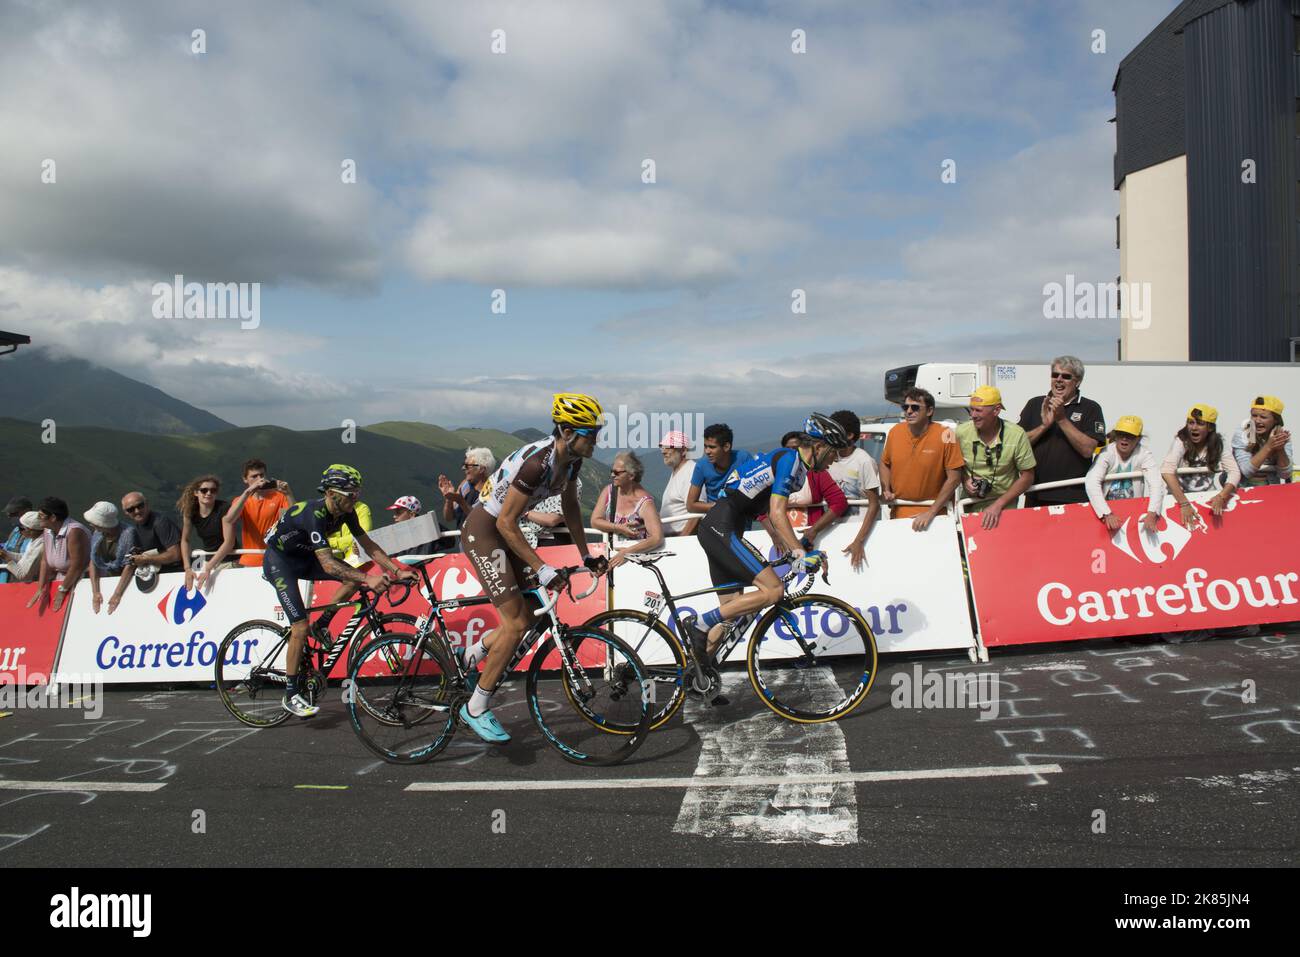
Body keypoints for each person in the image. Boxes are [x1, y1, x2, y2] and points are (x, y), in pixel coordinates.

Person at [458, 393, 609, 744]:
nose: (596, 440)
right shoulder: (537, 464)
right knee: (514, 624)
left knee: (530, 618)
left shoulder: (571, 460)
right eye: (591, 433)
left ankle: (471, 655)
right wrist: (541, 567)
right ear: (569, 432)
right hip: (485, 531)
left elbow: (570, 507)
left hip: (504, 533)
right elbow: (508, 523)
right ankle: (476, 707)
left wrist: (585, 554)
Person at [685, 414, 851, 695]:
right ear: (820, 447)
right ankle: (699, 625)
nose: (835, 460)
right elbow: (777, 511)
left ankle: (691, 677)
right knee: (773, 591)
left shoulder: (798, 467)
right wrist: (798, 552)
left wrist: (791, 550)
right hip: (721, 526)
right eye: (834, 453)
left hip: (725, 527)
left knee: (731, 616)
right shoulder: (790, 459)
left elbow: (767, 511)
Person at [261, 464, 416, 717]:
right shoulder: (314, 513)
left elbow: (369, 545)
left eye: (357, 493)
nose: (356, 498)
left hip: (304, 557)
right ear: (332, 493)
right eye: (351, 493)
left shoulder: (346, 512)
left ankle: (323, 624)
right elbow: (329, 565)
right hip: (280, 563)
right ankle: (290, 694)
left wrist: (395, 571)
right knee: (299, 626)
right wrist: (369, 578)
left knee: (352, 580)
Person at [1018, 356, 1106, 506]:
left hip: (1074, 497)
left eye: (1066, 376)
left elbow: (1088, 450)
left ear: (1077, 381)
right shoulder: (1035, 404)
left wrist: (1062, 419)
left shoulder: (1091, 408)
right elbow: (1017, 445)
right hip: (1036, 493)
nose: (1058, 379)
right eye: (1055, 375)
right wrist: (1044, 427)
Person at [880, 388, 964, 530]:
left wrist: (931, 512)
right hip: (898, 511)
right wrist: (886, 489)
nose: (909, 411)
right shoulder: (895, 431)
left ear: (930, 411)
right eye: (905, 407)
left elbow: (954, 478)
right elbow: (884, 463)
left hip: (936, 516)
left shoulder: (946, 434)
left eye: (915, 407)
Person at [955, 386, 1036, 529]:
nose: (973, 415)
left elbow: (1028, 476)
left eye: (978, 410)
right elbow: (954, 468)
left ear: (996, 410)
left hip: (1004, 509)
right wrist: (965, 479)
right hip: (968, 507)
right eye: (971, 409)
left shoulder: (1016, 434)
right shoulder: (961, 432)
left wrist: (998, 505)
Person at [1161, 404, 1240, 525]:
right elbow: (1166, 472)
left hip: (1207, 500)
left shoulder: (1218, 443)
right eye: (1191, 422)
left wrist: (1222, 496)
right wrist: (1184, 504)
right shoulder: (1181, 441)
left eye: (1200, 423)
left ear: (1210, 428)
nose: (1194, 427)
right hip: (1178, 501)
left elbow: (1234, 472)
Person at [1084, 416, 1162, 533]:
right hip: (1105, 515)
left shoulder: (1144, 454)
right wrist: (1106, 514)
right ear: (1115, 435)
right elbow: (1091, 482)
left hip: (1133, 515)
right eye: (1120, 434)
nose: (1124, 439)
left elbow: (1156, 483)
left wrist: (1152, 513)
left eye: (1130, 435)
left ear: (1138, 439)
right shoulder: (1106, 453)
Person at [591, 452, 663, 568]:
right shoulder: (609, 491)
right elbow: (594, 521)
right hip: (612, 556)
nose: (612, 475)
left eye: (617, 472)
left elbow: (657, 538)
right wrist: (620, 528)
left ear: (631, 475)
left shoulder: (645, 502)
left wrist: (627, 552)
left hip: (635, 562)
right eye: (612, 471)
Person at [215, 460, 293, 568]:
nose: (259, 479)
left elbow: (292, 519)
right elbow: (230, 519)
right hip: (250, 560)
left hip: (276, 558)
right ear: (245, 479)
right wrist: (248, 492)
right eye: (254, 476)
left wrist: (288, 494)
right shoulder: (241, 500)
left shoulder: (279, 497)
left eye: (262, 475)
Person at [26, 497, 90, 613]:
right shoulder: (47, 529)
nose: (38, 519)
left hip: (80, 580)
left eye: (41, 516)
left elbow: (77, 565)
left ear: (53, 518)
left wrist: (62, 590)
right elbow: (45, 561)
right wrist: (40, 588)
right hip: (61, 578)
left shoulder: (74, 531)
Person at [177, 475, 231, 591]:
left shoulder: (224, 508)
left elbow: (229, 543)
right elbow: (185, 540)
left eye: (213, 490)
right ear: (196, 492)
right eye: (204, 490)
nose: (208, 493)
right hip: (206, 559)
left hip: (228, 559)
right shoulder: (191, 512)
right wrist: (187, 568)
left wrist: (208, 568)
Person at [685, 424, 753, 516]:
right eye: (705, 446)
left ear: (726, 447)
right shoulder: (701, 466)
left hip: (742, 520)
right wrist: (722, 507)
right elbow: (691, 505)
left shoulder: (744, 458)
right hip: (716, 520)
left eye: (712, 447)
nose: (707, 451)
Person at [83, 501, 135, 614]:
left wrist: (117, 594)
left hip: (127, 581)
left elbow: (130, 564)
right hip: (110, 577)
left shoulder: (128, 534)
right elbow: (93, 560)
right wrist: (95, 592)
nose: (91, 525)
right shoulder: (98, 534)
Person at [1231, 396, 1291, 486]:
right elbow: (1246, 471)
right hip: (1242, 488)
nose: (1257, 420)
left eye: (1263, 417)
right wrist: (1268, 447)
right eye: (1254, 416)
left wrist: (1280, 449)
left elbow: (1285, 474)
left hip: (1269, 489)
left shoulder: (1281, 435)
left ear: (1275, 420)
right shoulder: (1242, 432)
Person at [439, 447, 496, 532]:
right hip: (463, 542)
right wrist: (449, 499)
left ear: (481, 469)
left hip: (481, 542)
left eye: (467, 466)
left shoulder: (492, 492)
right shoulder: (465, 485)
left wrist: (461, 501)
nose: (463, 468)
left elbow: (479, 520)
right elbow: (449, 517)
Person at [657, 431, 698, 536]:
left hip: (680, 538)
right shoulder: (677, 471)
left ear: (683, 450)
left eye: (669, 447)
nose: (663, 451)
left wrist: (681, 540)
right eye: (662, 447)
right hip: (671, 537)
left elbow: (696, 512)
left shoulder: (690, 471)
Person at [1, 511, 45, 583]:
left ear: (32, 530)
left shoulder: (40, 546)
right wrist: (5, 553)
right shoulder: (34, 540)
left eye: (21, 528)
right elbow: (24, 557)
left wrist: (7, 559)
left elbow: (23, 576)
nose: (19, 531)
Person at [328, 499, 372, 566]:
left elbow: (364, 536)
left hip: (358, 561)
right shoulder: (326, 511)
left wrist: (331, 542)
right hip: (333, 564)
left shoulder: (361, 508)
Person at [0, 496, 33, 584]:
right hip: (7, 576)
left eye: (13, 513)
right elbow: (6, 548)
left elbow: (29, 558)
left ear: (27, 511)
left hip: (26, 580)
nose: (9, 516)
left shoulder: (37, 532)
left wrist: (6, 555)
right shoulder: (15, 530)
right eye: (8, 513)